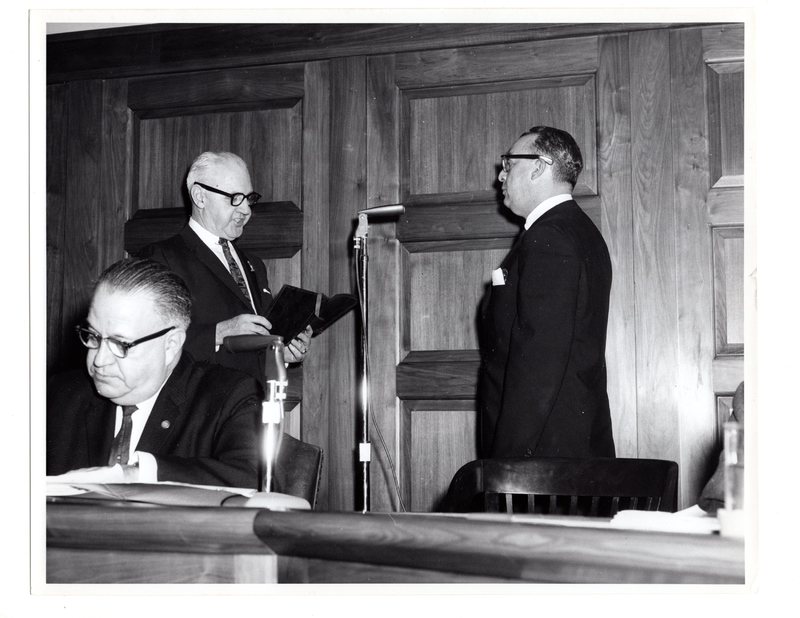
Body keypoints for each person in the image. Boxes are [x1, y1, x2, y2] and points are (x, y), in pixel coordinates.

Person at [47, 257, 262, 488]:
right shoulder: (57, 395)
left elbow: (254, 482)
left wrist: (137, 475)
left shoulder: (230, 397)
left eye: (120, 344)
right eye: (93, 336)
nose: (99, 360)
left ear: (171, 345)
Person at [478, 126, 615, 459]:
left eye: (508, 165)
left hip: (543, 465)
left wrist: (505, 470)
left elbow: (537, 366)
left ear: (539, 167)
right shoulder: (577, 231)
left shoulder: (550, 239)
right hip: (566, 453)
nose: (501, 177)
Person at [139, 151, 311, 383]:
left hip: (254, 409)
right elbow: (145, 341)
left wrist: (284, 351)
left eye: (249, 199)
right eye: (234, 198)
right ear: (200, 197)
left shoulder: (255, 265)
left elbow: (260, 343)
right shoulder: (161, 257)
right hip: (198, 411)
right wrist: (218, 334)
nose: (246, 210)